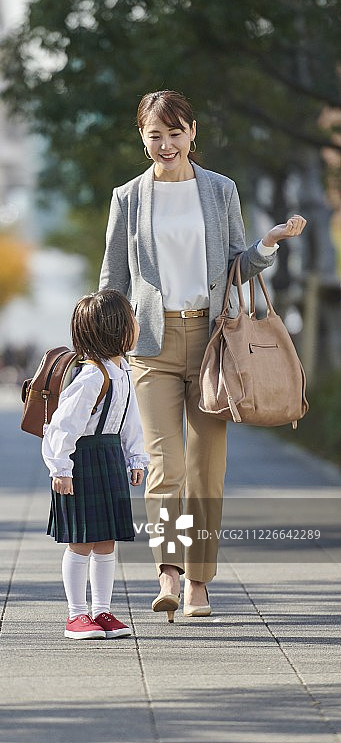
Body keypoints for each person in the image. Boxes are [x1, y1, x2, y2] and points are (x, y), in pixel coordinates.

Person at [99, 89, 307, 621]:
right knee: (163, 464)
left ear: (193, 132)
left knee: (205, 469)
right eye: (155, 135)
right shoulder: (128, 198)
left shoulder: (220, 191)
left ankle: (199, 583)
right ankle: (167, 572)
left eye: (175, 133)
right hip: (152, 345)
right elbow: (112, 282)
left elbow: (235, 265)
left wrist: (268, 245)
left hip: (213, 344)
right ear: (141, 137)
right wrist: (103, 349)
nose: (166, 144)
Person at [42, 290, 150, 638]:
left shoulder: (123, 372)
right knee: (81, 541)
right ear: (116, 329)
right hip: (82, 461)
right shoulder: (91, 378)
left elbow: (131, 420)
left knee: (106, 541)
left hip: (110, 457)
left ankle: (102, 611)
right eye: (132, 319)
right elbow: (63, 425)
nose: (137, 324)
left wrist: (136, 457)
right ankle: (76, 615)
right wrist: (60, 468)